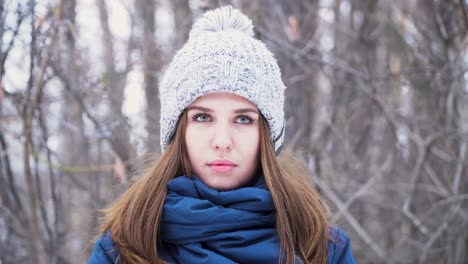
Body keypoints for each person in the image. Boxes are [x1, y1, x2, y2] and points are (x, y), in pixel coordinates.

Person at [89, 5, 356, 264]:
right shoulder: (125, 246)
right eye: (203, 117)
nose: (222, 141)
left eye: (243, 119)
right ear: (178, 132)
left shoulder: (321, 248)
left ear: (267, 133)